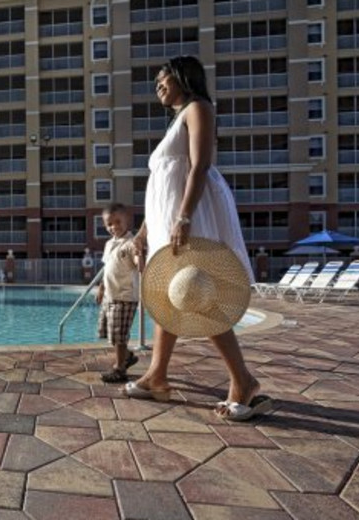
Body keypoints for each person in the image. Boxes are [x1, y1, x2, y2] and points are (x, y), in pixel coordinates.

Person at [127, 56, 270, 420]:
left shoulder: (198, 107)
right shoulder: (177, 119)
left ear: (182, 78)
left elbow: (200, 165)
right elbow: (160, 188)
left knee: (197, 293)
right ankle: (157, 375)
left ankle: (244, 382)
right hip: (167, 220)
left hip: (189, 216)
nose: (157, 86)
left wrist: (185, 217)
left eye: (163, 79)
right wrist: (143, 232)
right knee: (168, 296)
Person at [96, 203, 142, 383]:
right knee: (111, 333)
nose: (113, 227)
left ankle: (120, 368)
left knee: (119, 335)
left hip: (124, 296)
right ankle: (127, 356)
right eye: (109, 224)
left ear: (127, 220)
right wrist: (101, 288)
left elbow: (138, 262)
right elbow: (106, 268)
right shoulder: (109, 244)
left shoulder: (131, 243)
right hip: (110, 295)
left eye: (118, 222)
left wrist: (140, 255)